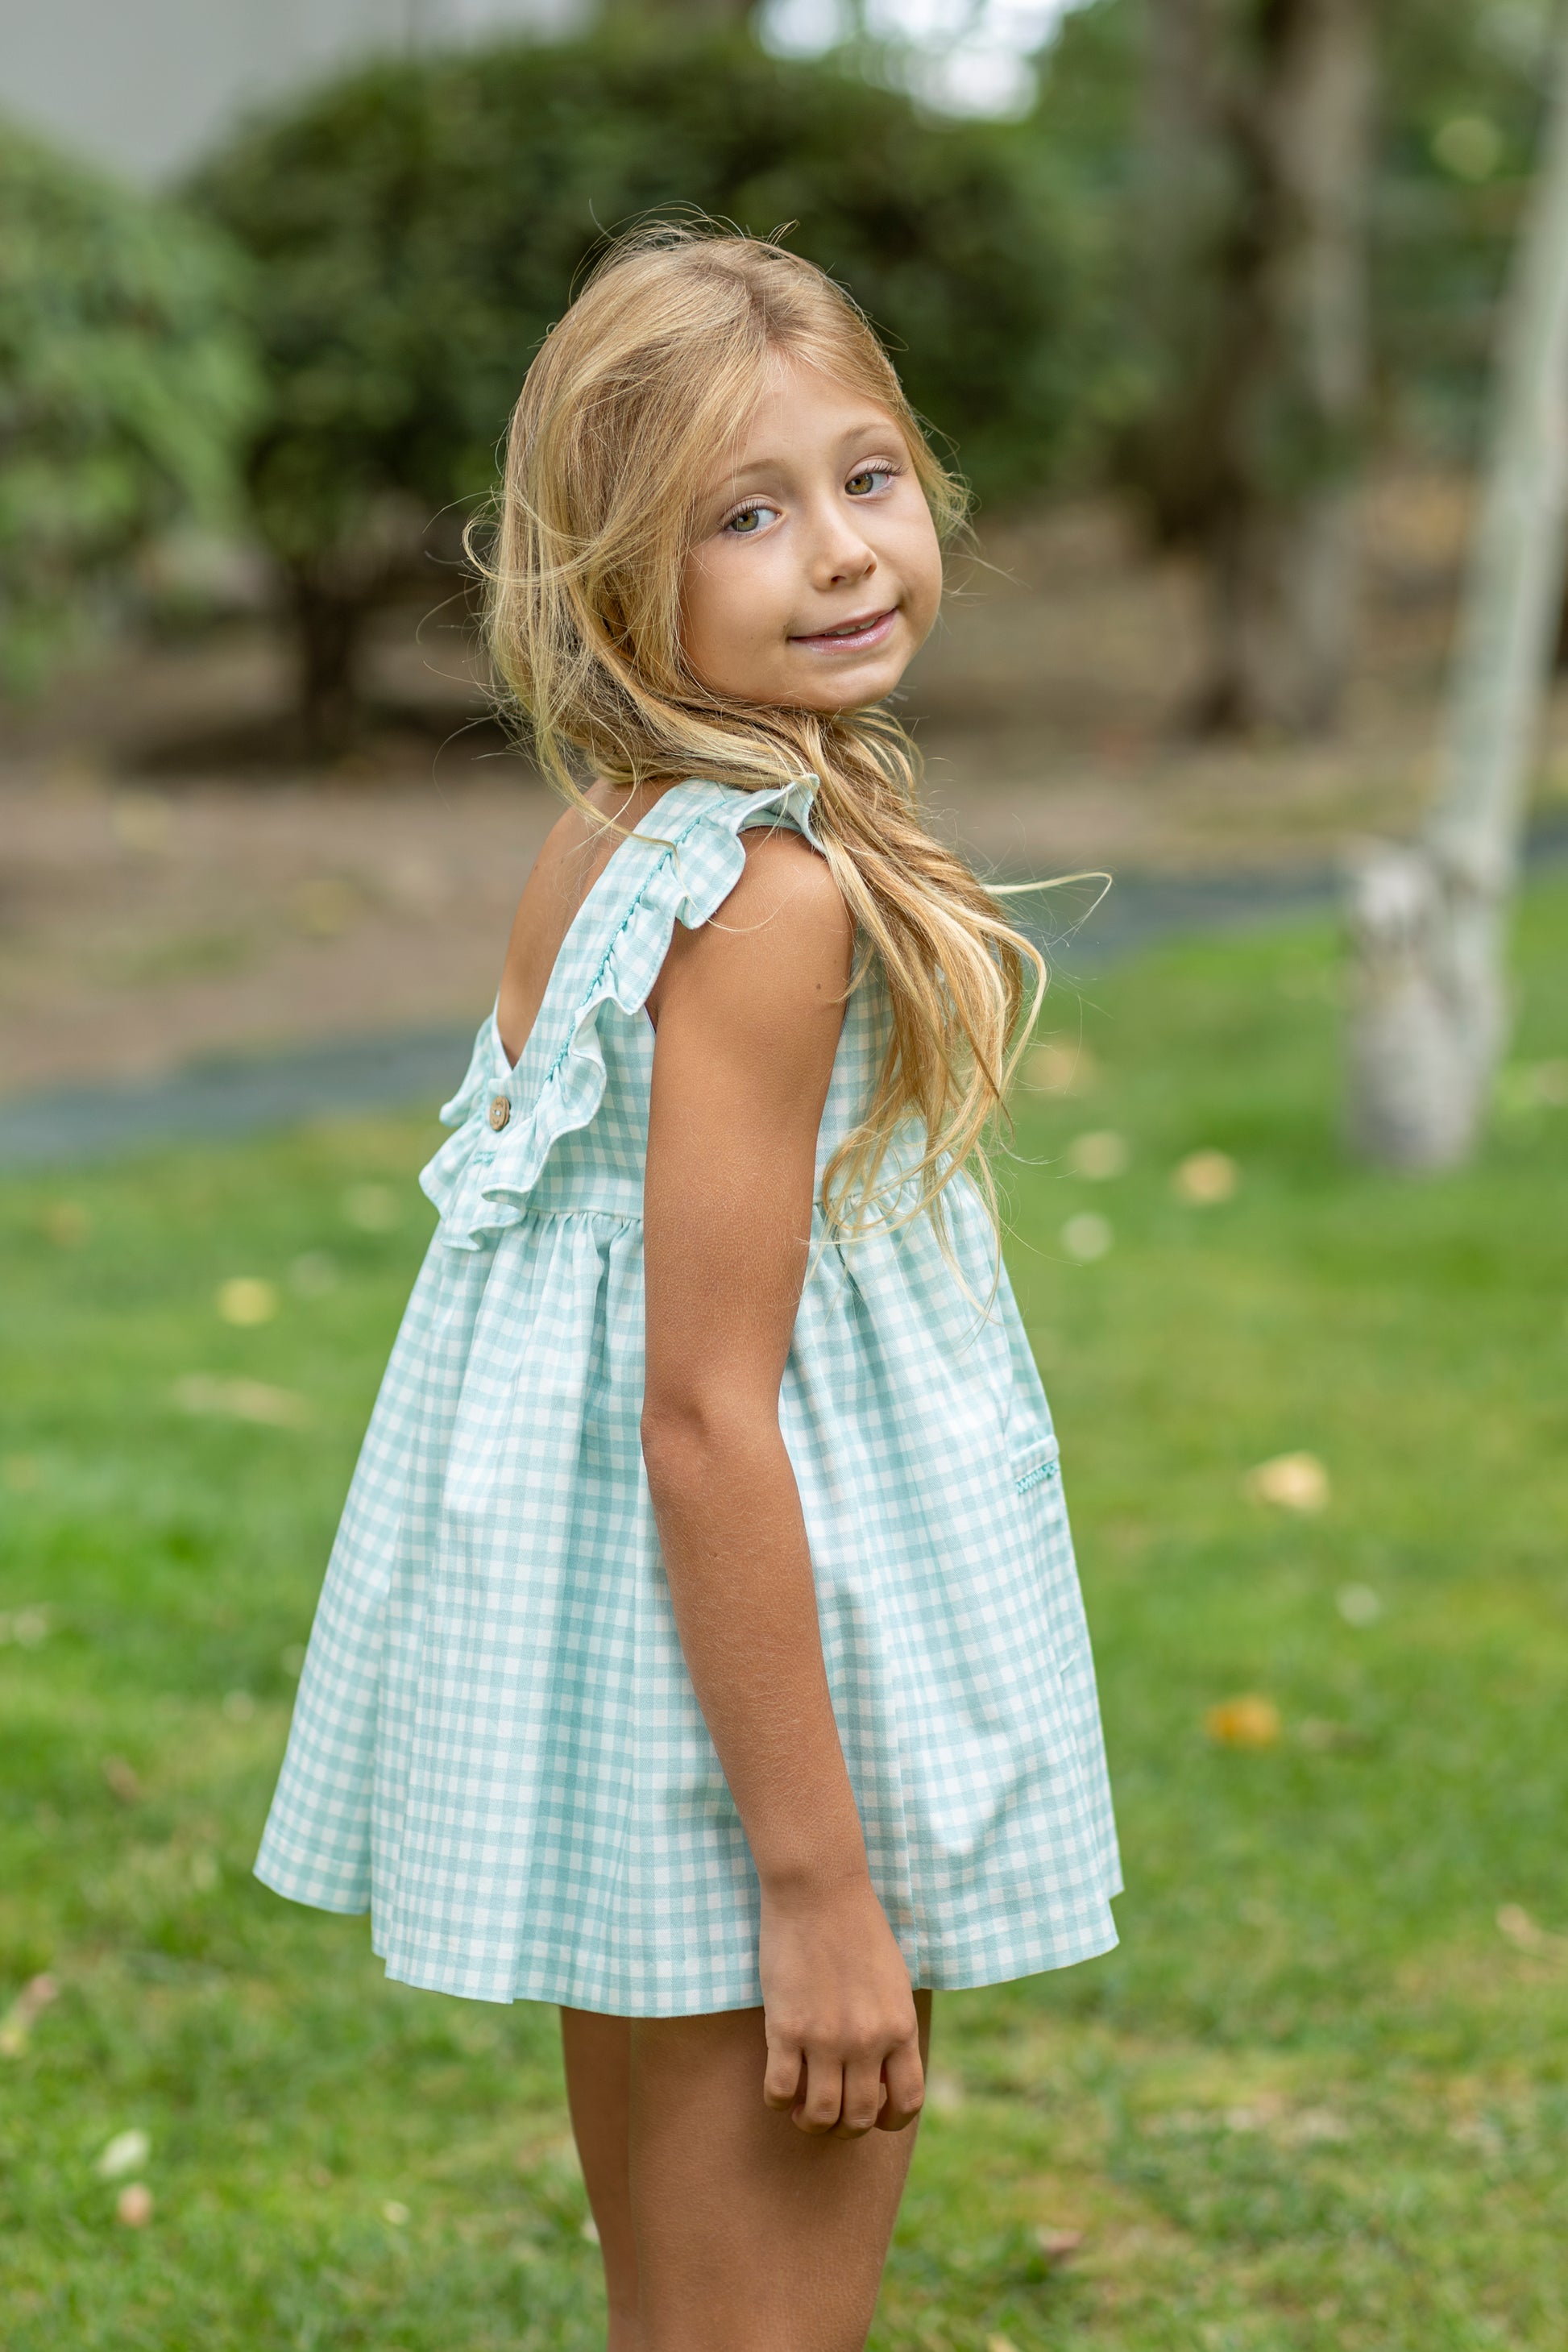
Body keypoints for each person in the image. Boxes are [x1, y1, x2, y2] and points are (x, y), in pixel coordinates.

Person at [255, 223, 1119, 2352]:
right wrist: (821, 1890)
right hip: (767, 1729)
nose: (837, 551)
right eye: (744, 515)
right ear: (612, 573)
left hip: (644, 1697)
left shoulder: (627, 830)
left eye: (867, 477)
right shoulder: (770, 895)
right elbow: (704, 1409)